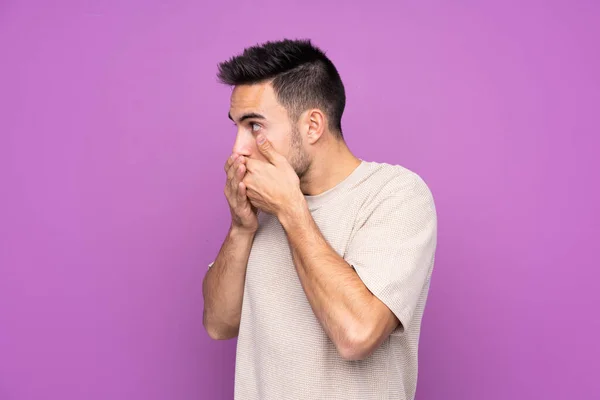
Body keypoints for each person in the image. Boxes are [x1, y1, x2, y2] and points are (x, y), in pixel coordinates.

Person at [202, 38, 437, 400]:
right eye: (236, 126)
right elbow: (218, 324)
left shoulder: (396, 194)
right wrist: (241, 228)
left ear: (312, 125)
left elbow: (357, 334)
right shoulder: (261, 207)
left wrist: (292, 211)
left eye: (254, 126)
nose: (238, 148)